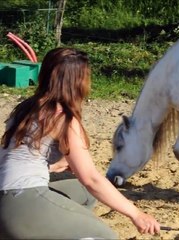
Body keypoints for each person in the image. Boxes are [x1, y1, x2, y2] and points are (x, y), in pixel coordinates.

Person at [0, 47, 161, 239]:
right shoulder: (64, 117)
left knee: (83, 193)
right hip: (22, 203)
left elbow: (14, 157)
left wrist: (53, 166)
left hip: (5, 201)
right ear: (77, 81)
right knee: (107, 237)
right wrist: (136, 214)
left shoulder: (24, 107)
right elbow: (92, 179)